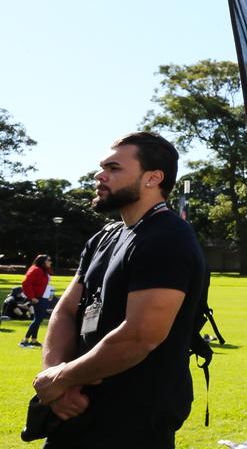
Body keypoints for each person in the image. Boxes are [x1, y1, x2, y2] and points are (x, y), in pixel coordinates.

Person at [32, 132, 207, 448]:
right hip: (74, 410)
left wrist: (61, 379)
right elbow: (67, 309)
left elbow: (140, 336)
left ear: (153, 178)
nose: (99, 176)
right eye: (102, 167)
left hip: (133, 420)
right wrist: (56, 378)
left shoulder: (167, 238)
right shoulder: (104, 237)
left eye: (113, 168)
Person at [20, 254, 53, 347]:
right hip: (37, 298)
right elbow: (25, 283)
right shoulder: (35, 270)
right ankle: (25, 340)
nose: (50, 262)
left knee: (39, 319)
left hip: (43, 297)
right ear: (43, 261)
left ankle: (33, 340)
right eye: (48, 260)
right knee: (38, 319)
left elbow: (49, 276)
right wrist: (32, 297)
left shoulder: (43, 270)